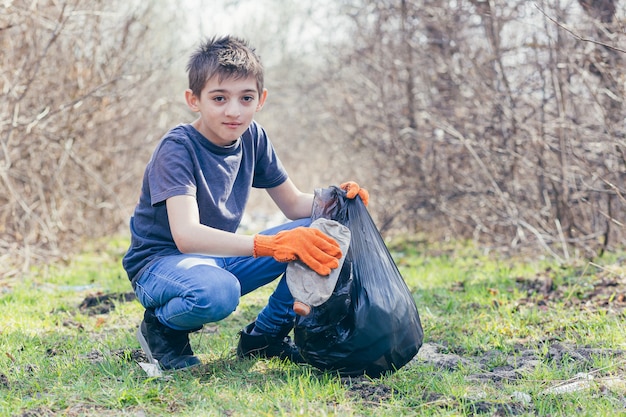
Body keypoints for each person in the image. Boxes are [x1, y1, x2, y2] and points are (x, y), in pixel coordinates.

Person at [122, 35, 369, 370]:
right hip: (161, 264)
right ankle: (162, 328)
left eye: (246, 98)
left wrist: (339, 202)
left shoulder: (253, 137)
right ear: (194, 100)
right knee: (219, 293)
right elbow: (186, 235)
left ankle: (265, 337)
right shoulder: (178, 148)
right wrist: (267, 245)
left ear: (261, 99)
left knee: (324, 232)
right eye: (219, 98)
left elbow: (296, 204)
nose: (234, 111)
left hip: (216, 257)